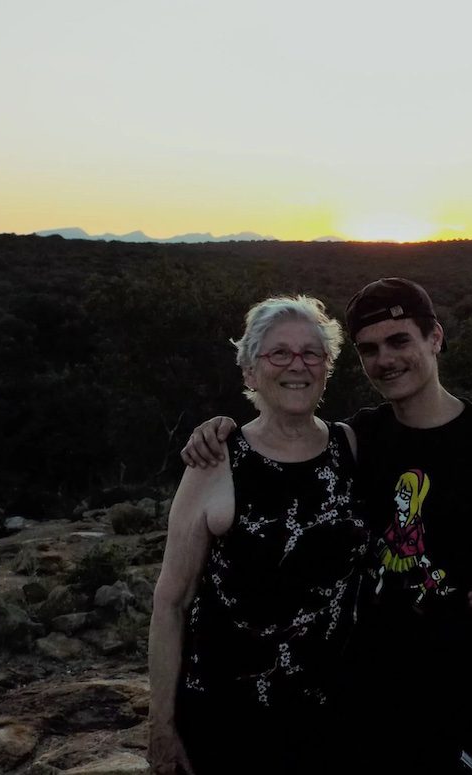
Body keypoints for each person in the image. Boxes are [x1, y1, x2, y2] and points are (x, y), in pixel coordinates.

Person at [182, 278, 472, 775]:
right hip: (356, 692)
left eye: (400, 340)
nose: (386, 359)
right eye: (369, 349)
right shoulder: (360, 437)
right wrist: (219, 428)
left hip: (456, 688)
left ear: (435, 338)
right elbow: (287, 438)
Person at [147, 295, 368, 775]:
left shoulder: (350, 446)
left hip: (332, 716)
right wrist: (161, 725)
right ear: (249, 372)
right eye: (279, 353)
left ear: (327, 368)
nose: (298, 365)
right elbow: (171, 603)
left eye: (313, 353)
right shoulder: (216, 459)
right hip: (228, 720)